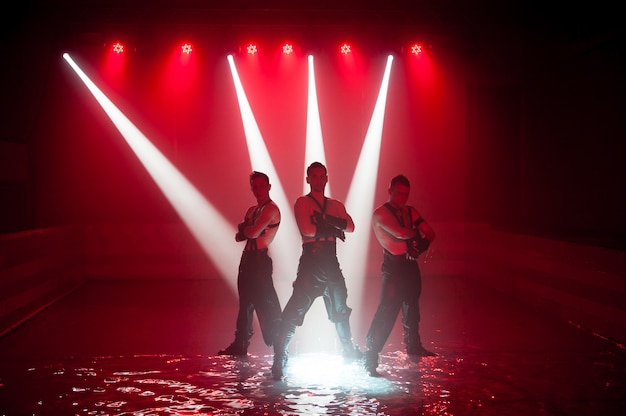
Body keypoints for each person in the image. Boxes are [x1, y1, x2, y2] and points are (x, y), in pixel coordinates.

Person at [271, 161, 361, 380]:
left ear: (326, 178)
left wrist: (325, 221)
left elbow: (350, 226)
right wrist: (333, 226)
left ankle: (348, 350)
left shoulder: (335, 204)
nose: (319, 180)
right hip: (311, 263)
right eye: (314, 176)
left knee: (341, 310)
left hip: (331, 262)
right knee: (294, 312)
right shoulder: (302, 202)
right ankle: (279, 356)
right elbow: (308, 231)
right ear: (308, 179)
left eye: (322, 176)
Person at [363, 174, 436, 376]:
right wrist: (419, 238)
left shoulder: (410, 211)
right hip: (393, 267)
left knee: (412, 308)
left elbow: (430, 232)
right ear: (390, 191)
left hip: (409, 265)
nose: (403, 197)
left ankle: (414, 346)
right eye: (399, 193)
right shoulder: (380, 213)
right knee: (386, 312)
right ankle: (370, 357)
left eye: (406, 194)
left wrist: (422, 244)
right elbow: (402, 234)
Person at [218, 171, 282, 357]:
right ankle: (241, 344)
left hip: (260, 261)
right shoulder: (252, 210)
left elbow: (250, 233)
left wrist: (246, 229)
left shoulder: (271, 209)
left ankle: (279, 343)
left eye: (262, 185)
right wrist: (247, 230)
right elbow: (241, 236)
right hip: (247, 260)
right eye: (255, 186)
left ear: (269, 186)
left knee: (267, 303)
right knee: (245, 304)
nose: (258, 189)